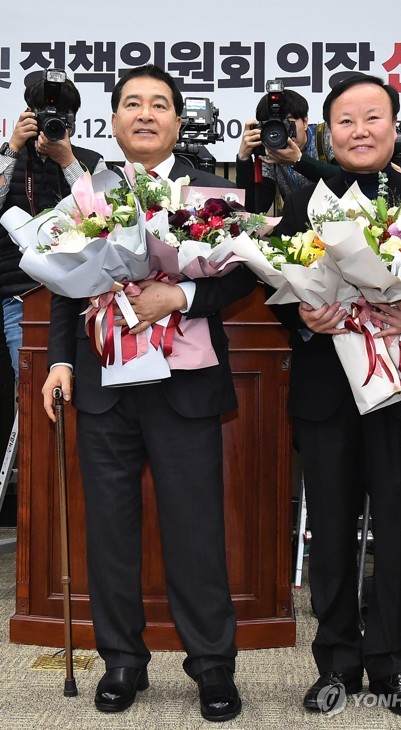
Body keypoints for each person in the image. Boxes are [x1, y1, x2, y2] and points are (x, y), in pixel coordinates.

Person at [41, 64, 256, 721]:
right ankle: (122, 663)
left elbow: (237, 281)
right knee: (109, 531)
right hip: (104, 380)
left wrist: (180, 293)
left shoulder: (210, 192)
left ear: (176, 120)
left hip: (183, 381)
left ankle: (213, 669)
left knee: (195, 530)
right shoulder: (88, 191)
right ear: (111, 121)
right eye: (130, 103)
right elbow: (62, 279)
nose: (144, 113)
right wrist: (58, 361)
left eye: (157, 104)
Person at [270, 73, 401, 718]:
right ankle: (336, 661)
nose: (360, 130)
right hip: (329, 393)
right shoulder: (305, 202)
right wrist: (305, 317)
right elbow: (280, 290)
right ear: (329, 130)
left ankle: (391, 662)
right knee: (328, 534)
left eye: (373, 117)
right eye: (346, 120)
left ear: (394, 125)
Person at [0, 73, 106, 382]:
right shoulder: (8, 155)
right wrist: (12, 147)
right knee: (31, 389)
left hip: (85, 299)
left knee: (85, 386)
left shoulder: (90, 161)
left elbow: (104, 216)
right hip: (22, 295)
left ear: (73, 121)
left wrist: (67, 160)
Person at [236, 88, 339, 213]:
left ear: (305, 121)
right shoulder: (269, 153)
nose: (283, 131)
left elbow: (343, 179)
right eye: (274, 125)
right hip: (296, 226)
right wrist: (243, 159)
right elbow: (256, 209)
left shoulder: (325, 136)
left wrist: (298, 160)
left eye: (288, 123)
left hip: (336, 220)